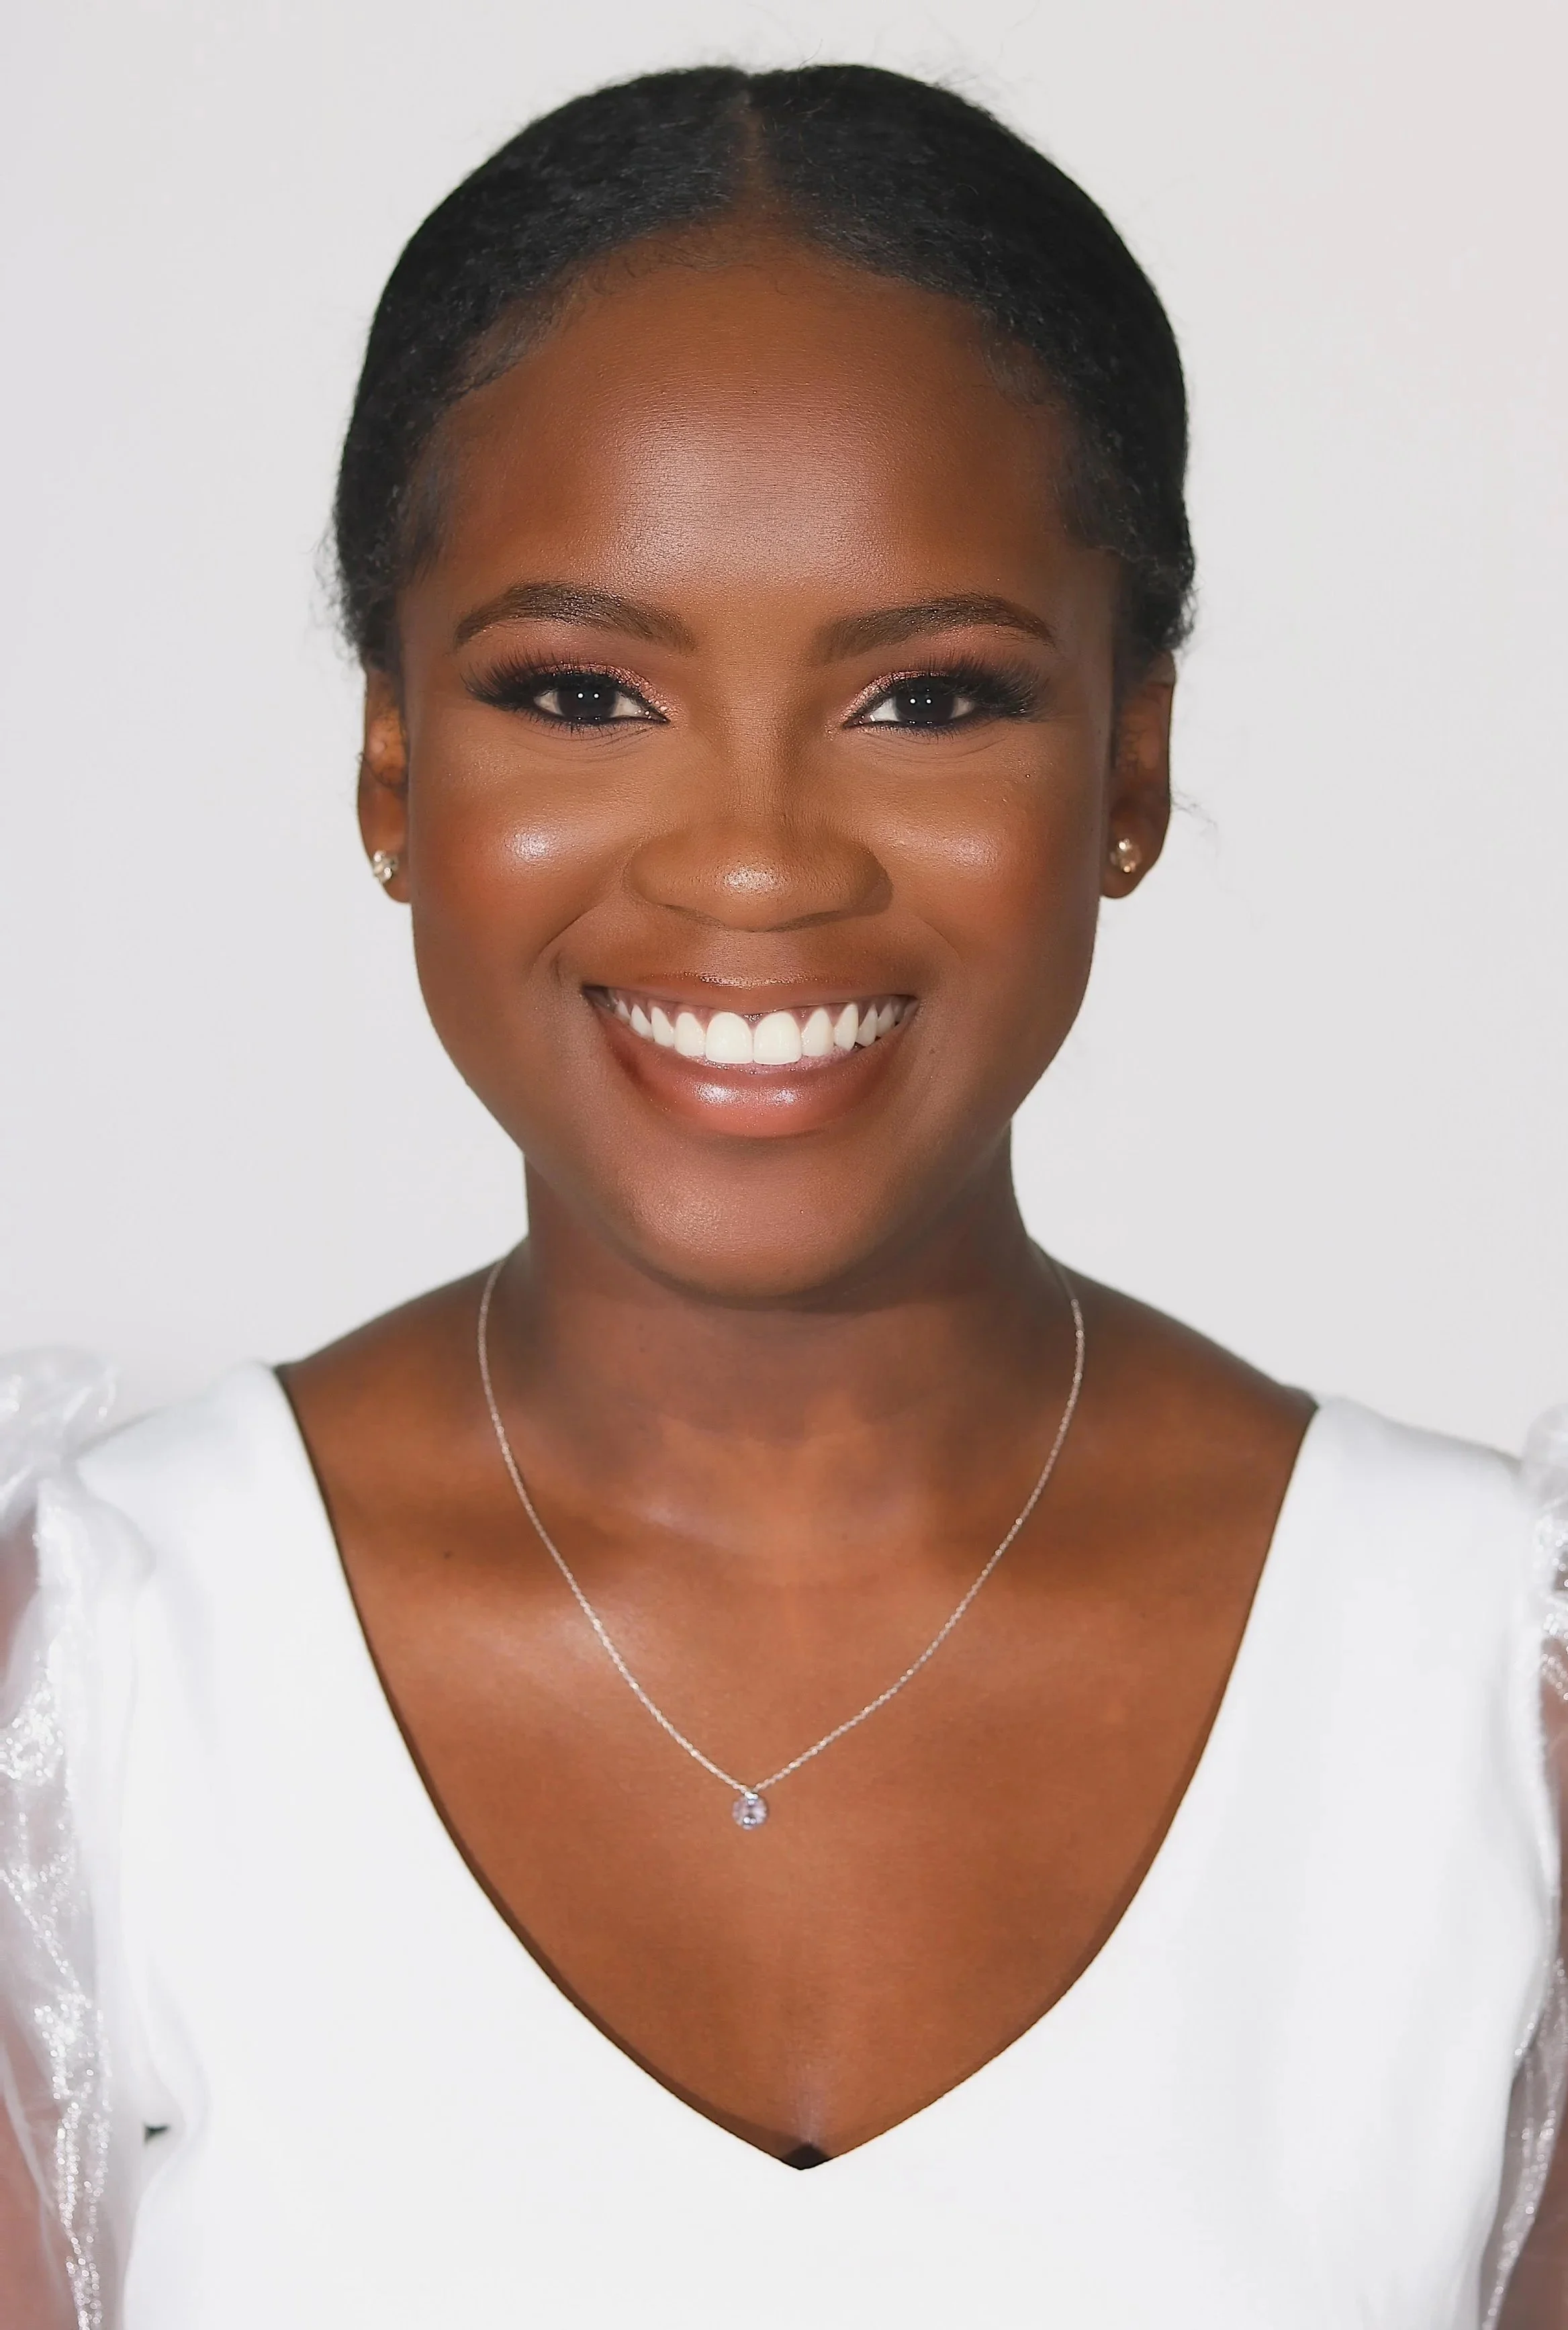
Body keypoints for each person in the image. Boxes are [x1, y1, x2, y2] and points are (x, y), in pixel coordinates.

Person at [2, 60, 1565, 2328]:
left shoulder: (1498, 1709)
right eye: (579, 690)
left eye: (928, 700)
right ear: (390, 765)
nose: (751, 866)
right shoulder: (79, 1696)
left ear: (1129, 763)